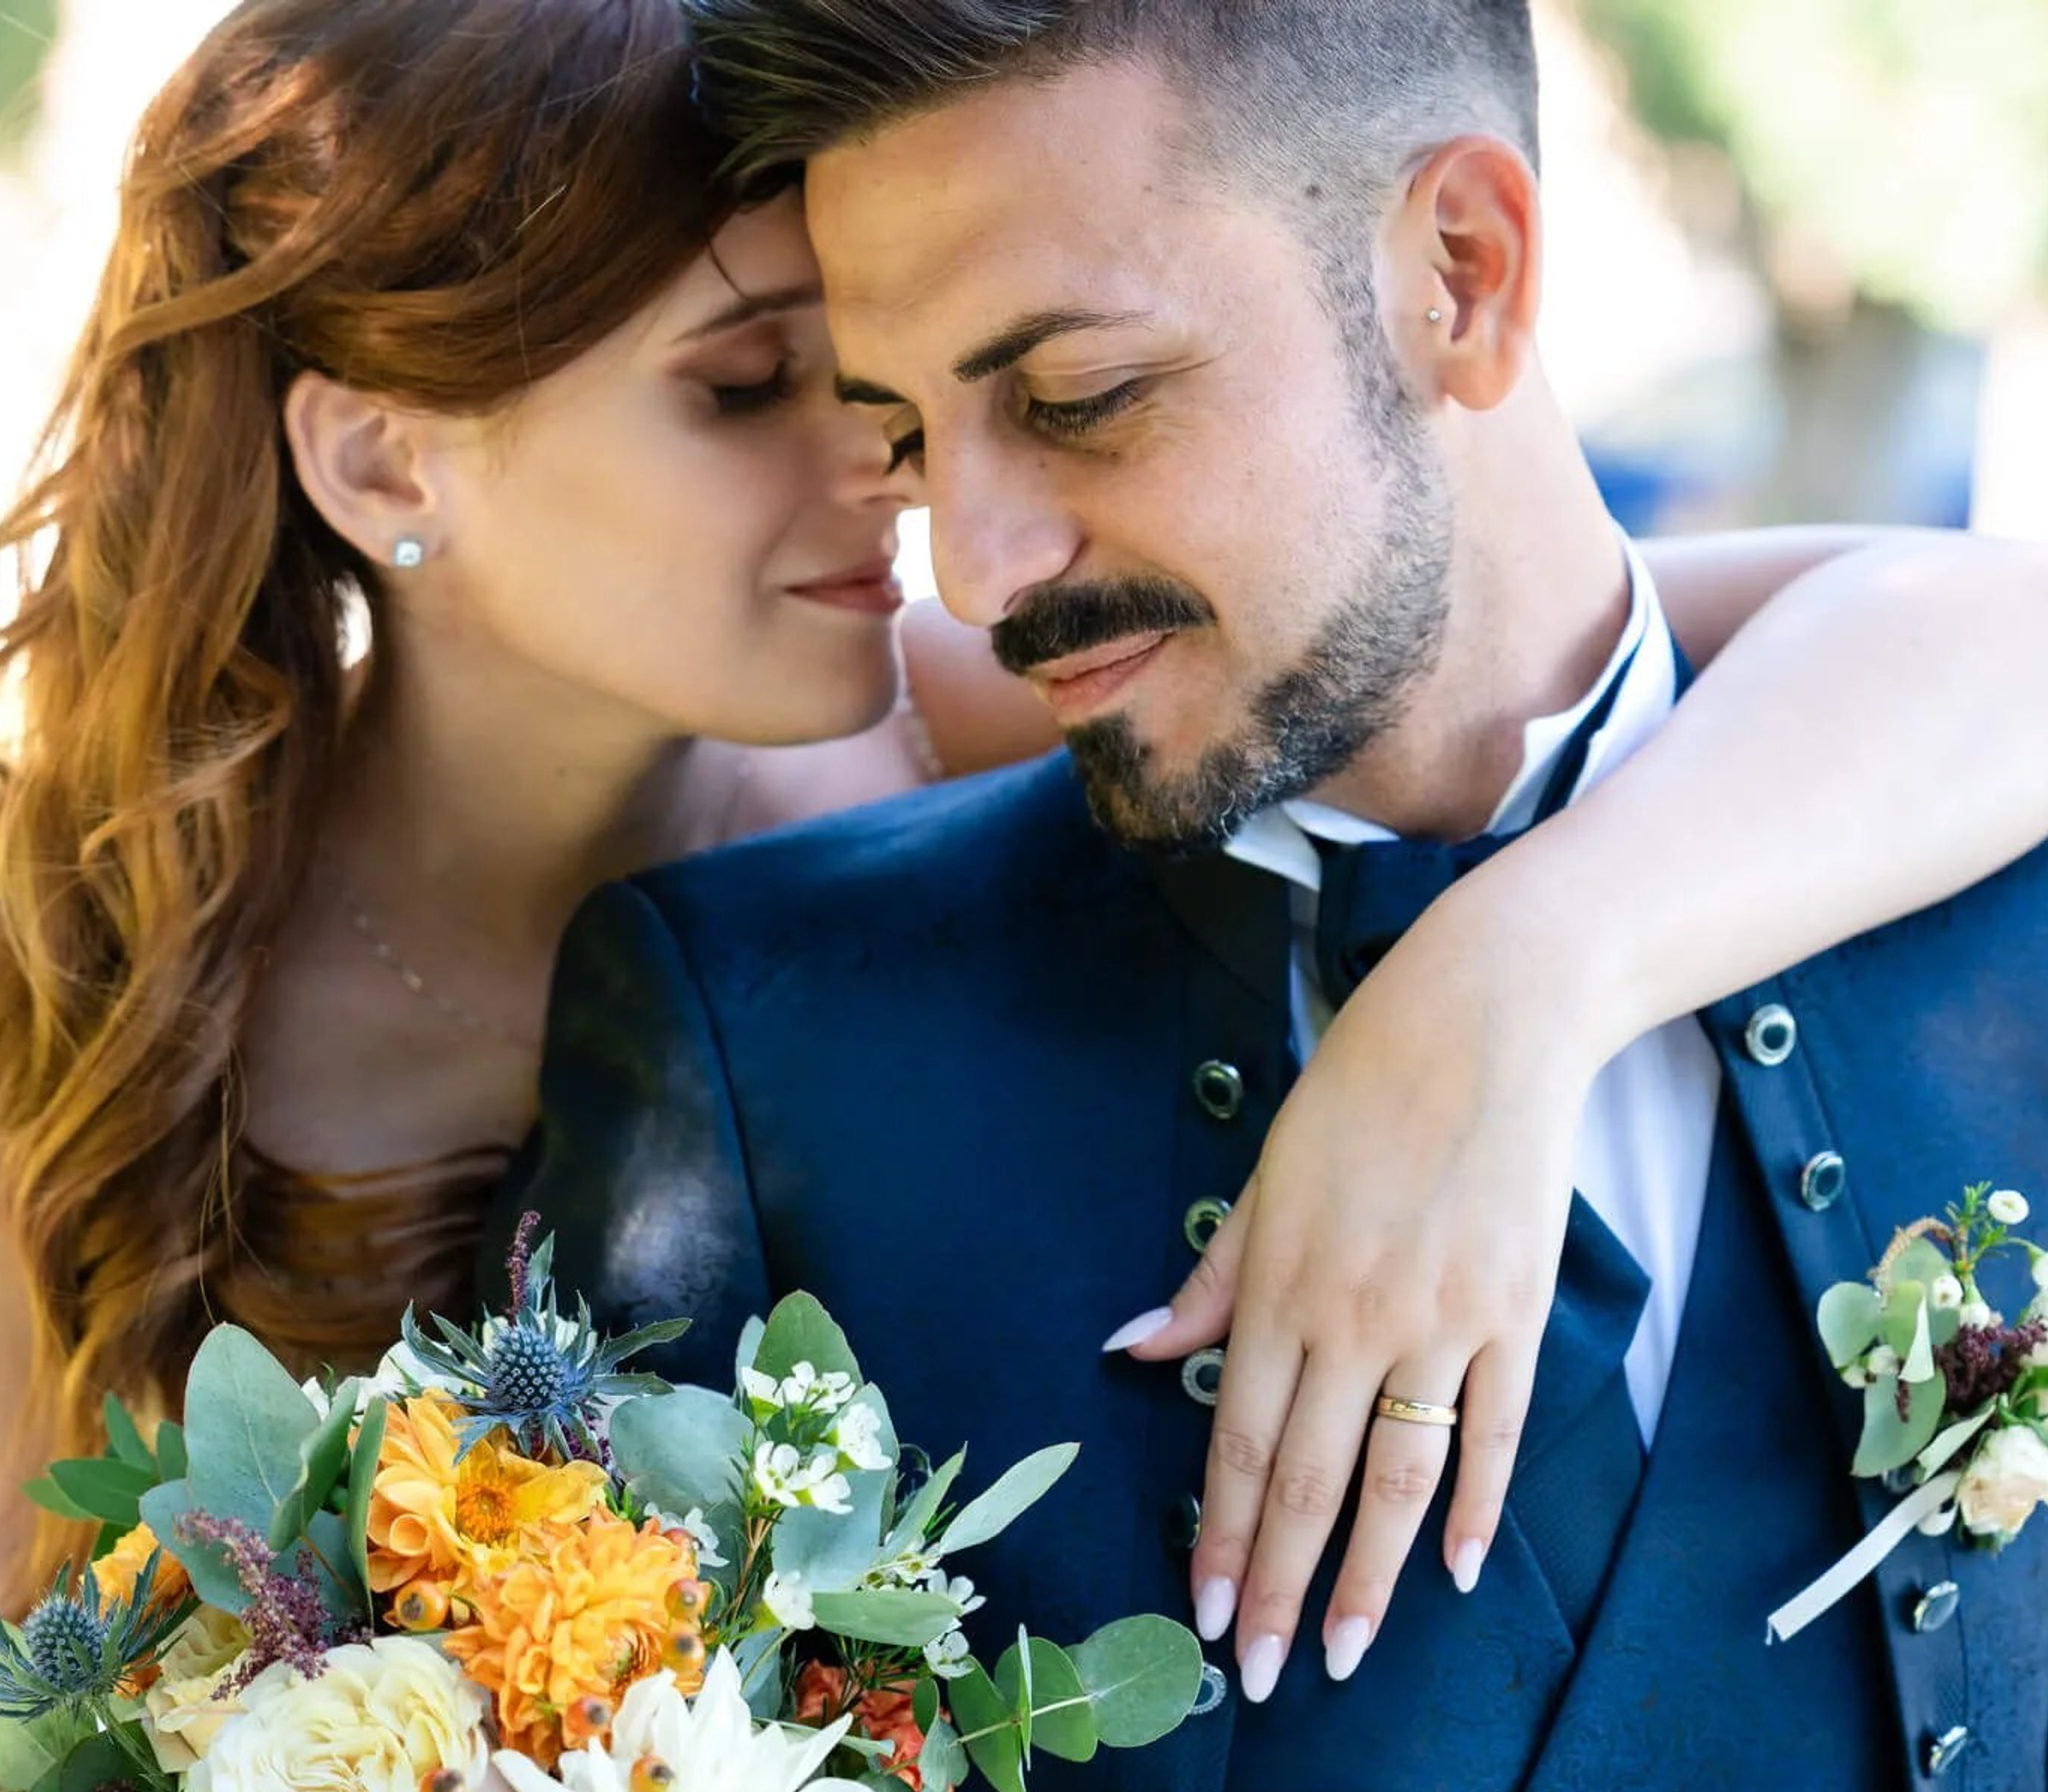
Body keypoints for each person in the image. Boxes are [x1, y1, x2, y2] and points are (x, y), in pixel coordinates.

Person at [2, 0, 2040, 1646]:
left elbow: (1981, 634)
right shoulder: (77, 953)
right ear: (382, 457)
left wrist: (1505, 982)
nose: (922, 519)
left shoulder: (983, 709)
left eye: (887, 398)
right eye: (746, 391)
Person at [506, 2, 2048, 1792]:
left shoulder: (1996, 904)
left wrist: (1505, 982)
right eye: (899, 434)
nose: (971, 568)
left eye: (1077, 395)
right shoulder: (759, 1044)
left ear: (1458, 278)